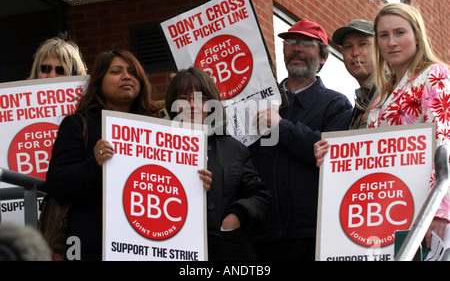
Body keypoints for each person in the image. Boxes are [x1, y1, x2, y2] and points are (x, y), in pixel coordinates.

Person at [249, 19, 353, 260]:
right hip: (259, 234)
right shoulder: (257, 101)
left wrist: (282, 127)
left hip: (311, 235)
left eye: (307, 43)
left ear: (324, 57)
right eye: (290, 42)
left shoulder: (336, 105)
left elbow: (331, 156)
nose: (296, 48)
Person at [45, 50, 162, 260]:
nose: (127, 76)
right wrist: (94, 164)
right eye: (116, 71)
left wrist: (195, 182)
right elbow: (57, 183)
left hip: (148, 245)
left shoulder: (159, 130)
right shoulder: (78, 125)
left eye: (133, 73)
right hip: (92, 245)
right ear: (99, 81)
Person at [165, 67, 271, 261]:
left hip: (225, 249)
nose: (192, 105)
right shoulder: (155, 145)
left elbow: (260, 196)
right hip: (174, 248)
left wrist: (236, 217)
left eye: (200, 98)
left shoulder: (234, 149)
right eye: (183, 98)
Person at [367, 3, 449, 246]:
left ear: (417, 36)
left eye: (400, 32)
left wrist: (440, 210)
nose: (391, 42)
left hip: (427, 209)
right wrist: (332, 156)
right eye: (384, 35)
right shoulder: (382, 94)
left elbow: (444, 141)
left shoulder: (435, 74)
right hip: (390, 207)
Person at [332, 19, 377, 129]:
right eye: (348, 46)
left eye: (363, 44)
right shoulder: (364, 97)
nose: (355, 52)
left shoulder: (393, 90)